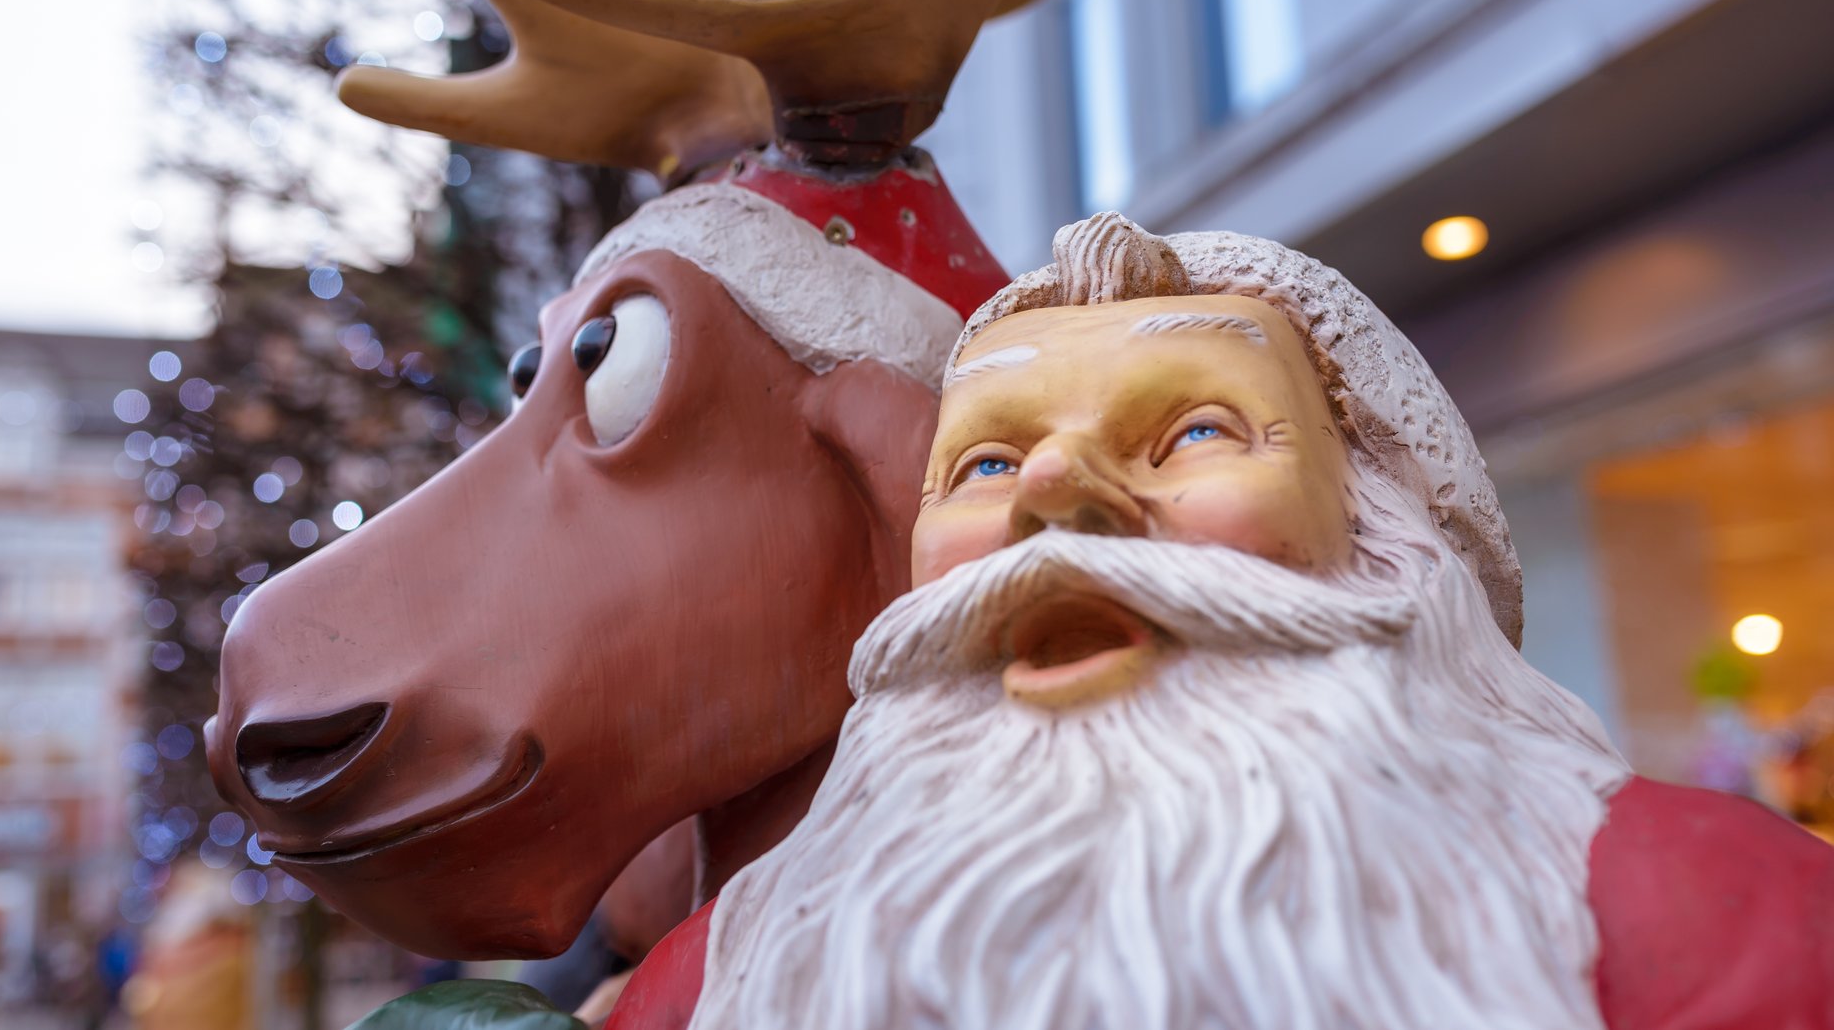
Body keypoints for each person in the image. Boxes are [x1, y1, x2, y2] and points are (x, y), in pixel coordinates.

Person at [614, 214, 1834, 1030]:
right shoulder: (719, 980)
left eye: (1196, 433)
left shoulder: (1721, 917)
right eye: (985, 463)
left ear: (1382, 540)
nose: (1051, 495)